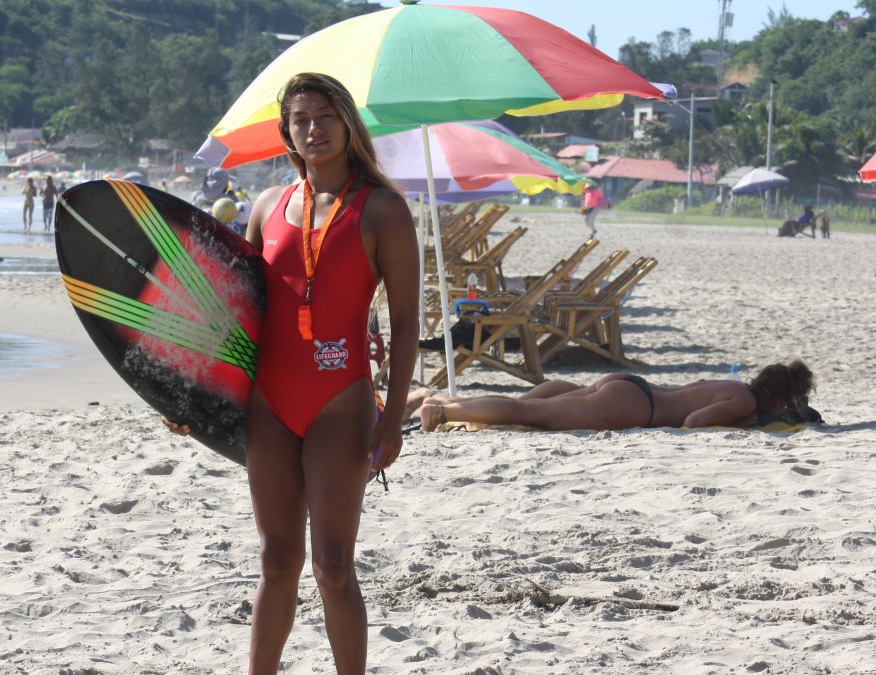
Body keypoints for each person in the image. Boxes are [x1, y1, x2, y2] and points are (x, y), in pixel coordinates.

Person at [164, 72, 418, 674]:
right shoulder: (266, 206)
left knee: (333, 565)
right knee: (277, 562)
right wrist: (192, 395)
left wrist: (396, 417)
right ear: (287, 134)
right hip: (269, 403)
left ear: (348, 124)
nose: (314, 128)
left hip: (341, 400)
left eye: (325, 116)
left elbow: (407, 323)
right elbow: (236, 316)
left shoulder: (381, 209)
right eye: (301, 119)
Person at [419, 361, 815, 432]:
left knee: (533, 407)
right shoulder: (743, 403)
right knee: (532, 411)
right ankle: (441, 411)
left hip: (632, 386)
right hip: (635, 407)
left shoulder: (732, 385)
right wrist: (741, 425)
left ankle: (452, 406)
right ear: (778, 400)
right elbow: (692, 422)